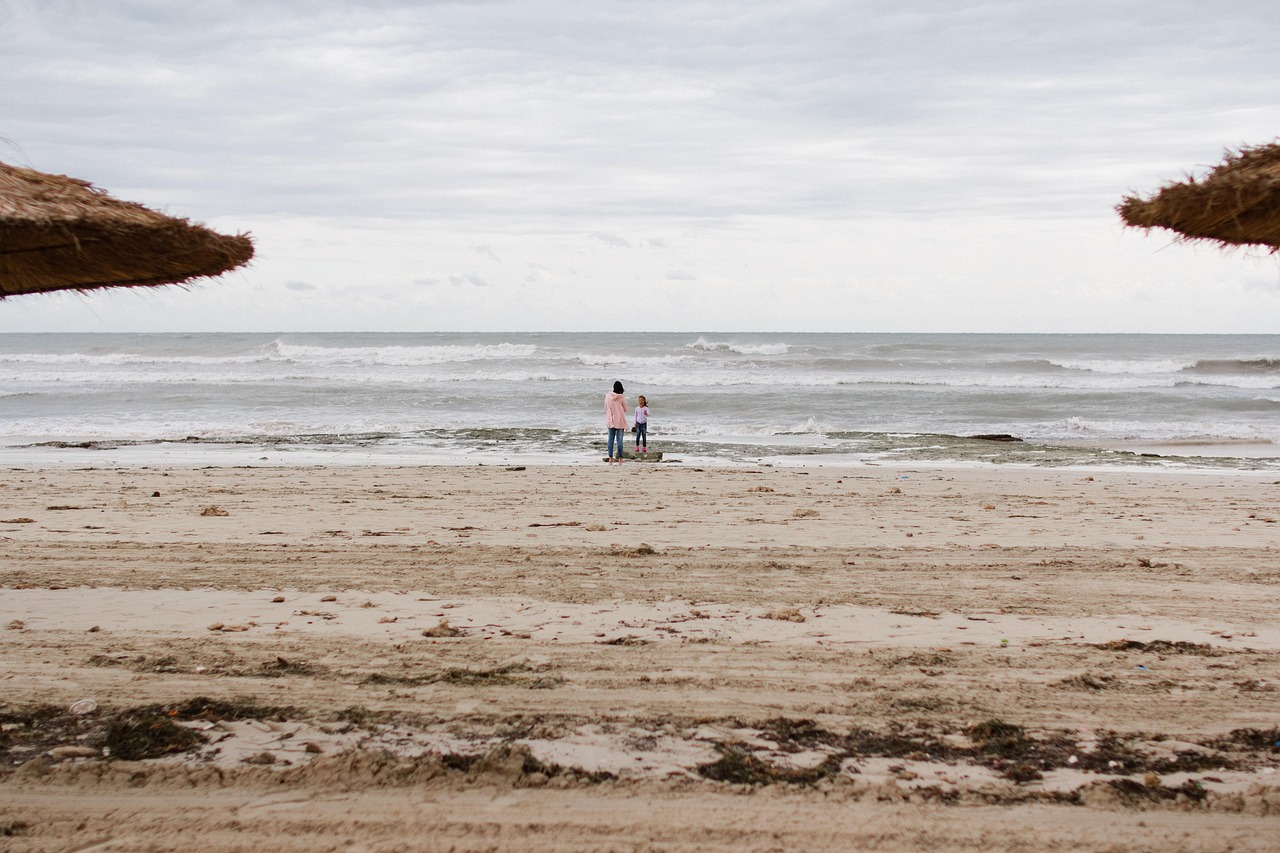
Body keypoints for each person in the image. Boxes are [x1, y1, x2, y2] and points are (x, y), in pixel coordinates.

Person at [604, 380, 628, 462]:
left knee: (610, 439)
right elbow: (626, 409)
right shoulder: (621, 397)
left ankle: (610, 457)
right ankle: (620, 458)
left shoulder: (607, 396)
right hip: (619, 420)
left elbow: (606, 408)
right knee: (619, 440)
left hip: (610, 420)